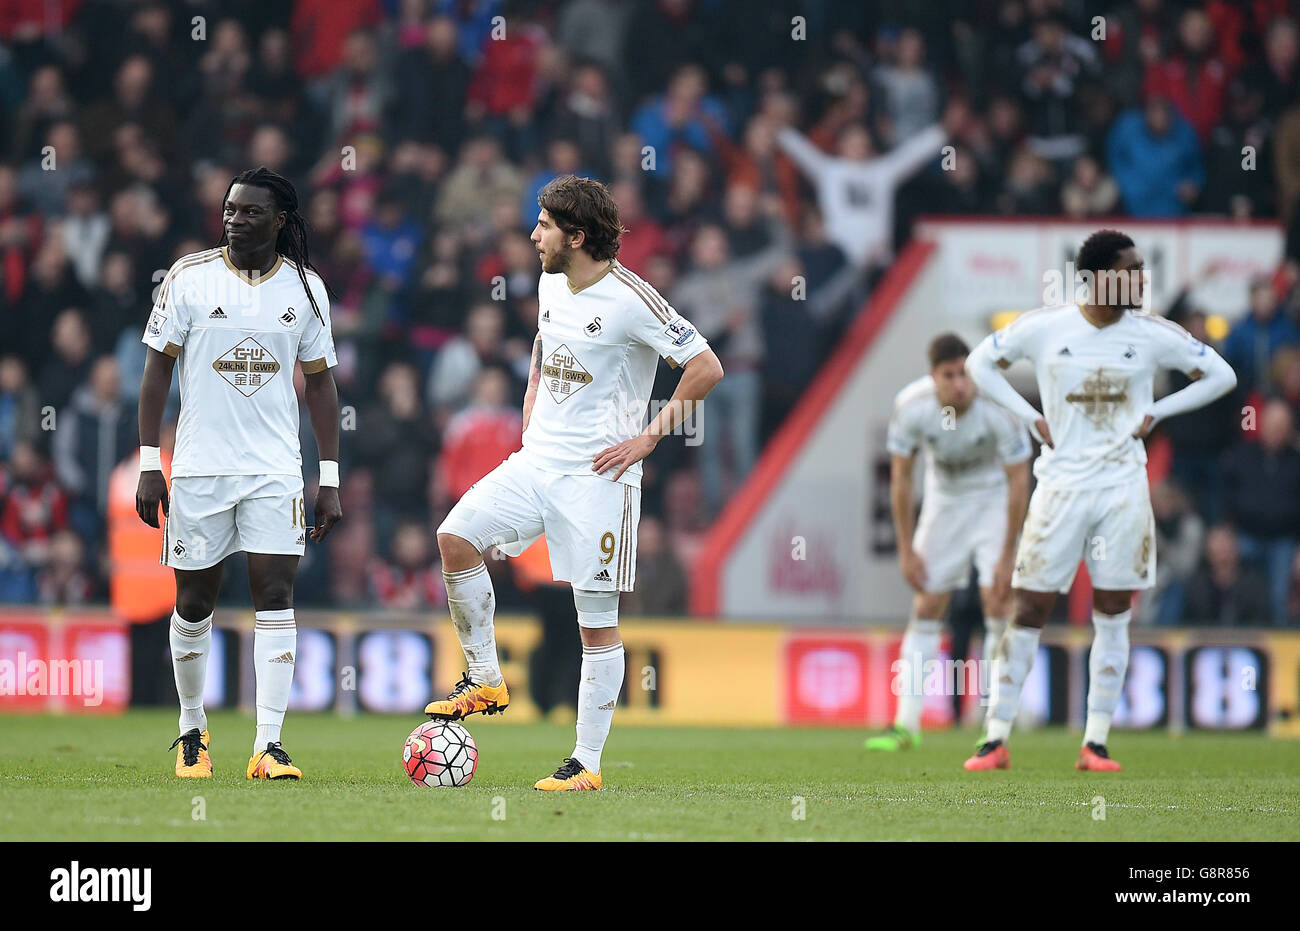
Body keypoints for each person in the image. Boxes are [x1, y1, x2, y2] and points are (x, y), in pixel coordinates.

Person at [423, 175, 724, 790]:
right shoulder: (550, 281)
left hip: (599, 479)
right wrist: (533, 391)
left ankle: (585, 762)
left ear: (577, 236)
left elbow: (706, 367)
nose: (534, 236)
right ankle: (484, 677)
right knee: (455, 537)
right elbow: (543, 344)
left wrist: (648, 437)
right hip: (536, 462)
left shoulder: (632, 300)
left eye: (544, 226)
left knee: (597, 625)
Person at [964, 228, 1236, 772]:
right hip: (1060, 485)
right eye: (1130, 269)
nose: (1140, 279)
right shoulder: (1047, 327)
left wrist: (1159, 411)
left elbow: (1221, 375)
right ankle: (994, 739)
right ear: (1097, 277)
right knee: (1029, 608)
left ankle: (1096, 742)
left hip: (1121, 488)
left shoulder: (1151, 333)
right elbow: (978, 365)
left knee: (1113, 611)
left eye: (1141, 269)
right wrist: (1029, 417)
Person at [136, 167, 342, 781]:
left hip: (276, 471)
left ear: (281, 220)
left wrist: (327, 475)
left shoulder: (306, 288)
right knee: (194, 601)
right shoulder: (188, 278)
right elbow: (155, 374)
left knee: (275, 596)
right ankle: (193, 728)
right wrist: (152, 463)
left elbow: (322, 383)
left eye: (251, 212)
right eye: (230, 210)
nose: (235, 219)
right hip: (199, 468)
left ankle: (269, 745)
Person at [865, 334, 1031, 752]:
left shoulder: (1000, 407)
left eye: (966, 374)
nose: (960, 384)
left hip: (992, 498)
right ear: (933, 377)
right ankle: (906, 726)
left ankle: (996, 726)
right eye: (950, 375)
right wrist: (906, 548)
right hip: (944, 502)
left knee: (997, 599)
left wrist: (1009, 553)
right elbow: (901, 478)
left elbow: (1018, 481)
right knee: (927, 604)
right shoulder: (912, 407)